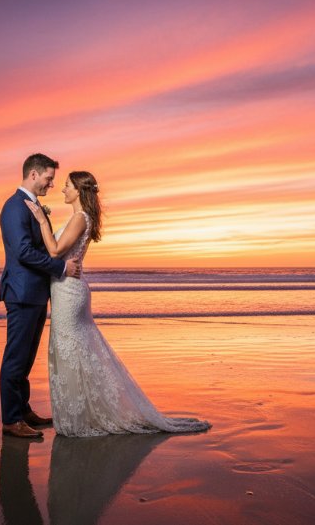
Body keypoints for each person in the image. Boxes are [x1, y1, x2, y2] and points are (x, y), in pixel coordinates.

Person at [25, 170, 211, 437]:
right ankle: (82, 411)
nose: (62, 189)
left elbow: (55, 251)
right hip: (65, 289)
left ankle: (83, 415)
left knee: (73, 351)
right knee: (75, 351)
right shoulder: (79, 218)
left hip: (69, 293)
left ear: (78, 190)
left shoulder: (79, 218)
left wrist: (42, 220)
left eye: (66, 185)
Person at [0, 153, 82, 438]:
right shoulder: (14, 207)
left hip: (34, 293)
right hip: (21, 293)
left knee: (26, 358)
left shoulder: (31, 206)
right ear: (33, 175)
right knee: (15, 357)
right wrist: (60, 267)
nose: (51, 184)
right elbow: (23, 251)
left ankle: (23, 410)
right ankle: (11, 420)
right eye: (48, 178)